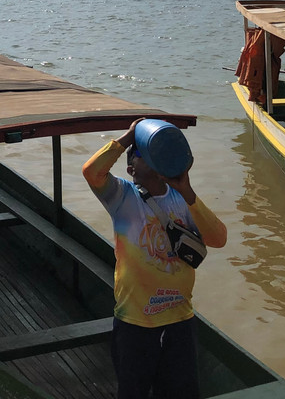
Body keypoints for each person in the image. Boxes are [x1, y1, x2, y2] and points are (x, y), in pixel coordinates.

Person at [82, 118, 228, 399]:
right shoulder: (122, 197)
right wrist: (128, 137)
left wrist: (186, 189)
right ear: (131, 169)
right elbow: (92, 172)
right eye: (139, 154)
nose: (147, 155)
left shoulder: (181, 199)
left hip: (179, 319)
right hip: (136, 321)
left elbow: (218, 238)